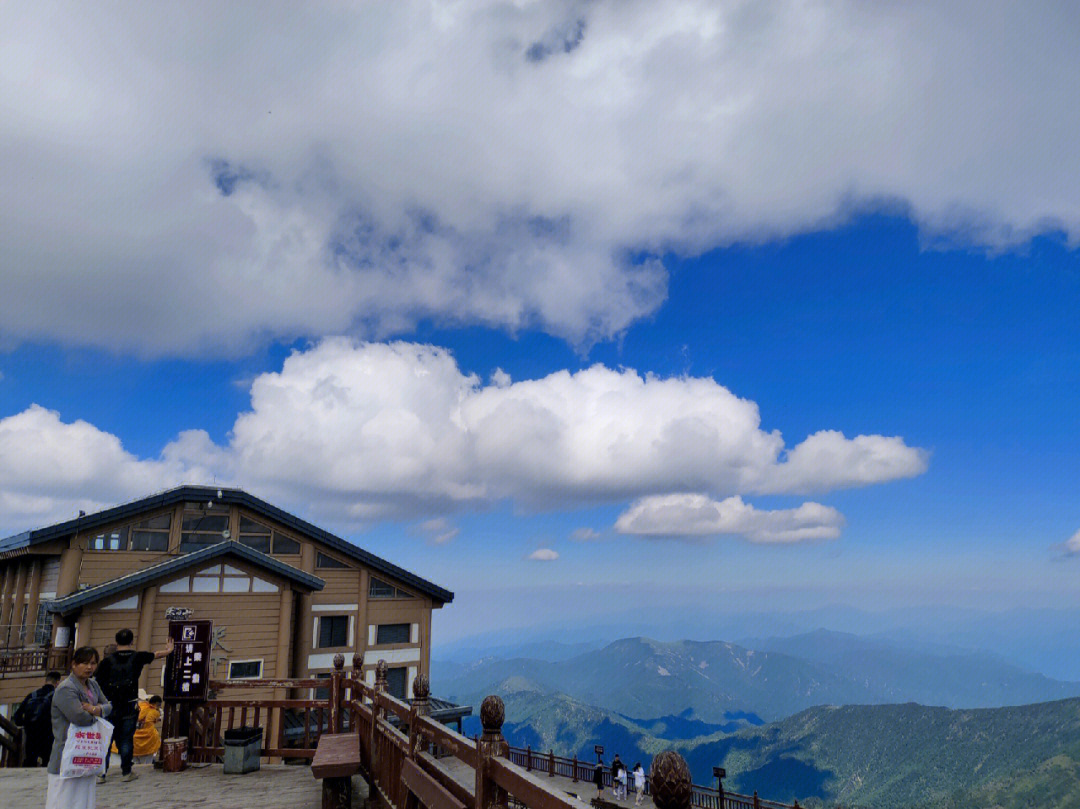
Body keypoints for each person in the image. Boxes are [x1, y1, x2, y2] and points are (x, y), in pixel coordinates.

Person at [94, 628, 173, 782]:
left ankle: (101, 774)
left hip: (109, 706)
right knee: (126, 739)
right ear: (131, 641)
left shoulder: (106, 662)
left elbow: (98, 683)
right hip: (129, 705)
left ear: (116, 642)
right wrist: (169, 650)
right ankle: (126, 773)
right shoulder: (137, 657)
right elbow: (156, 654)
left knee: (106, 740)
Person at [46, 646, 112, 809]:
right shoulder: (66, 688)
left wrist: (95, 709)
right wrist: (97, 712)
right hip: (67, 752)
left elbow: (108, 706)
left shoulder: (93, 685)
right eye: (84, 663)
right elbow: (79, 717)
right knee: (63, 800)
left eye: (93, 663)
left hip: (87, 751)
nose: (89, 667)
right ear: (74, 664)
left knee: (84, 799)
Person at [13, 671, 62, 767]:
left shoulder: (32, 695)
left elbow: (17, 717)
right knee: (48, 764)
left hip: (31, 735)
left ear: (46, 681)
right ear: (57, 683)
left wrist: (27, 723)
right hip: (49, 735)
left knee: (29, 762)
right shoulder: (57, 696)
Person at [132, 695, 163, 763]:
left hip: (134, 741)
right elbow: (159, 719)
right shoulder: (155, 712)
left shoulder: (140, 706)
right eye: (159, 705)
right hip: (147, 742)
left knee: (135, 765)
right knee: (146, 765)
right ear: (156, 704)